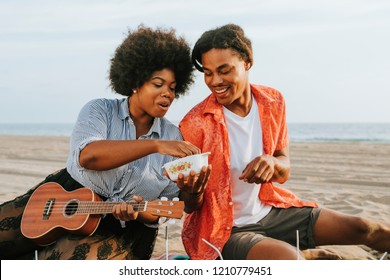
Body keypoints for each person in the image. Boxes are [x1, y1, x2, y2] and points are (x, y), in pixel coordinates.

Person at [178, 23, 390, 260]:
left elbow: (283, 171)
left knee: (367, 228)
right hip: (226, 231)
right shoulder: (195, 123)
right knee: (290, 261)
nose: (215, 80)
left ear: (247, 63)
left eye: (224, 70)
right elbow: (189, 206)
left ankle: (300, 251)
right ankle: (302, 254)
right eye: (208, 73)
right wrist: (192, 192)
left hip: (272, 212)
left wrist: (272, 162)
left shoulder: (272, 101)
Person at [0, 25, 209, 260]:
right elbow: (88, 156)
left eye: (172, 88)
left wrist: (194, 192)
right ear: (135, 83)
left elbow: (178, 204)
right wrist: (155, 145)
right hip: (62, 198)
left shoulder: (173, 136)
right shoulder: (100, 110)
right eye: (158, 84)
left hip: (122, 232)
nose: (167, 94)